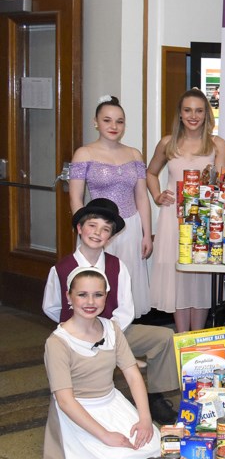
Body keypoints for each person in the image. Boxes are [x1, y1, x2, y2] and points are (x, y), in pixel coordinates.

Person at [43, 198, 181, 425]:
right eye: (92, 225)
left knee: (165, 337)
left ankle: (154, 396)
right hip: (77, 337)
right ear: (79, 228)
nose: (97, 233)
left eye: (105, 229)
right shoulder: (60, 269)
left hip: (115, 332)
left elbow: (126, 309)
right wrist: (79, 332)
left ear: (111, 236)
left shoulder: (117, 266)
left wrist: (107, 335)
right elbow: (52, 307)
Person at [43, 266, 161, 459]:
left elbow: (133, 374)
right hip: (78, 412)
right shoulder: (57, 342)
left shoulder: (111, 329)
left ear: (106, 297)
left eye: (98, 294)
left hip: (112, 402)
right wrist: (105, 435)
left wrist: (145, 418)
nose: (90, 301)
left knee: (152, 447)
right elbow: (66, 401)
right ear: (69, 297)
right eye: (82, 294)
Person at [147, 89, 225, 333]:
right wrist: (157, 195)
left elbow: (222, 185)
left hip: (203, 219)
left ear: (206, 114)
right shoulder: (167, 143)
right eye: (187, 110)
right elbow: (150, 173)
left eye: (199, 110)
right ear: (180, 114)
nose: (193, 116)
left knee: (200, 278)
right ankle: (182, 338)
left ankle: (198, 337)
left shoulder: (218, 144)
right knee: (178, 278)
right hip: (173, 219)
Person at [69, 95, 153, 319]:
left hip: (130, 226)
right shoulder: (83, 153)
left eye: (119, 121)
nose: (114, 126)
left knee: (126, 281)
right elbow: (76, 197)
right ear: (95, 122)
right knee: (97, 280)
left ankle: (125, 337)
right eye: (107, 120)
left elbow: (142, 198)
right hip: (96, 228)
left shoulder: (134, 154)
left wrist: (147, 235)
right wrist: (82, 227)